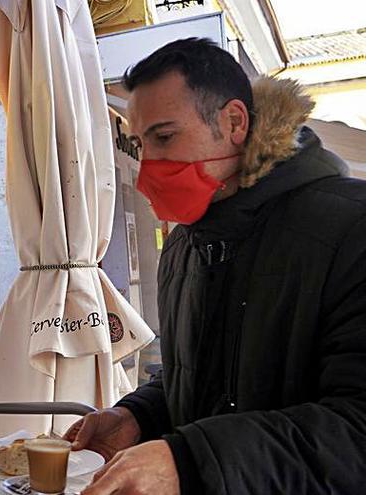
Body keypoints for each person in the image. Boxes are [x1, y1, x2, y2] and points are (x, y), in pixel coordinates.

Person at [64, 38, 366, 494]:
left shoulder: (352, 228)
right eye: (139, 144)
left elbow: (356, 430)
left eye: (164, 137)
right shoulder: (184, 246)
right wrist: (138, 415)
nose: (148, 167)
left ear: (233, 122)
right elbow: (193, 378)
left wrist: (190, 460)